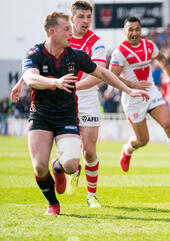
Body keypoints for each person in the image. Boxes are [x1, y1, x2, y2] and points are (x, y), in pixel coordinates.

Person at [17, 11, 149, 216]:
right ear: (52, 32)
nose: (71, 32)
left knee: (71, 164)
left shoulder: (75, 55)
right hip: (41, 115)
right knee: (40, 168)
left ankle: (59, 166)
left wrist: (129, 90)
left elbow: (103, 73)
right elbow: (31, 79)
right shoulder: (35, 53)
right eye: (66, 29)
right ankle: (53, 204)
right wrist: (55, 82)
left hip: (66, 115)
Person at [11, 1, 110, 208]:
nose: (85, 21)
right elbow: (36, 63)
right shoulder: (61, 37)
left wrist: (72, 87)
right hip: (60, 95)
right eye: (81, 17)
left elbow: (99, 74)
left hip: (85, 95)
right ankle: (60, 167)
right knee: (61, 160)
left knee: (89, 151)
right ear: (71, 19)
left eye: (88, 17)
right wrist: (22, 81)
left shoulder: (97, 42)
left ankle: (91, 195)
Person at [109, 16, 170, 177]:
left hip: (151, 93)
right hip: (132, 98)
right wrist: (134, 85)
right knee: (143, 140)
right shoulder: (119, 52)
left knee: (168, 125)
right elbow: (112, 77)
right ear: (124, 31)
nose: (134, 33)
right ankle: (127, 149)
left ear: (141, 30)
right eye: (131, 29)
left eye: (137, 29)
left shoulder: (149, 45)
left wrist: (169, 76)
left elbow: (161, 59)